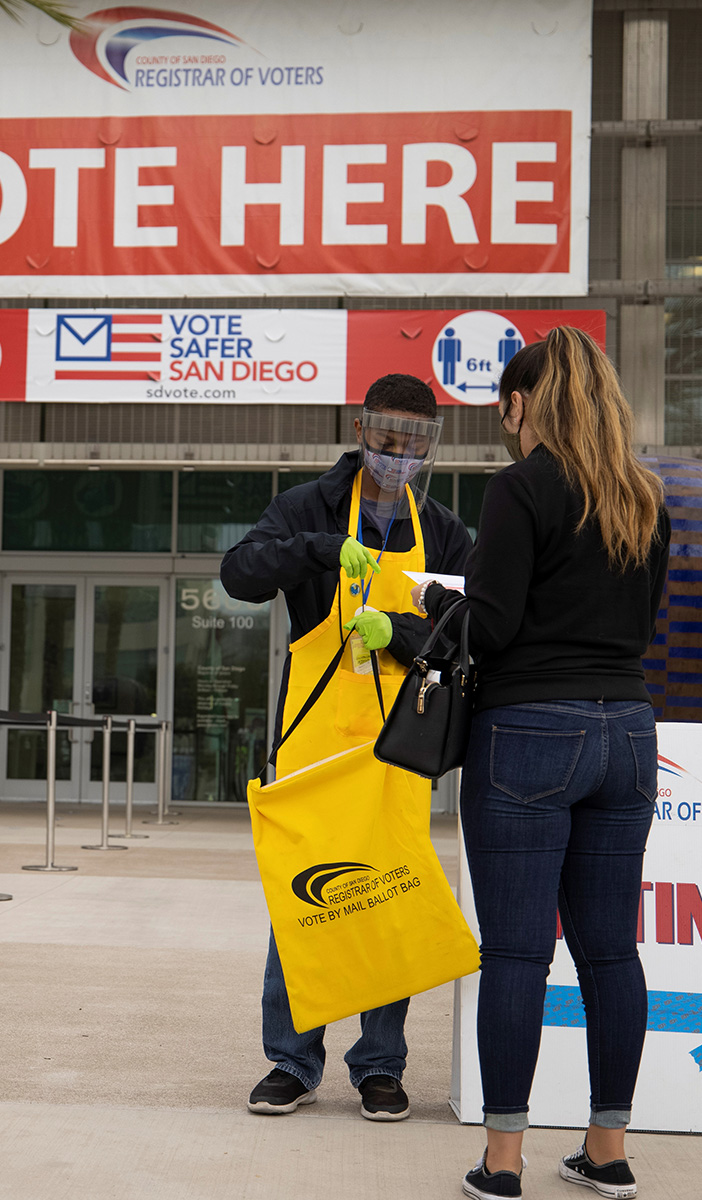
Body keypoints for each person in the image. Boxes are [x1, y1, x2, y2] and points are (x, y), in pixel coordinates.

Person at [443, 327, 668, 1200]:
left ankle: (503, 1161)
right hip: (629, 736)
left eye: (506, 404)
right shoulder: (643, 495)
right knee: (611, 953)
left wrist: (430, 606)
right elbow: (642, 626)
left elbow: (490, 625)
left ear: (521, 402)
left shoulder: (520, 488)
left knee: (516, 953)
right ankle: (606, 1150)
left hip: (529, 731)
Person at [220, 373, 472, 1123]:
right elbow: (238, 575)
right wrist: (323, 549)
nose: (398, 456)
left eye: (413, 444)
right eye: (387, 439)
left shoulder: (448, 531)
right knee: (301, 901)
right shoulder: (308, 507)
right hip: (313, 739)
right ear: (362, 430)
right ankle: (291, 1062)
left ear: (430, 447)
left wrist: (395, 632)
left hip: (397, 744)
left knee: (384, 896)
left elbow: (467, 631)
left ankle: (379, 1066)